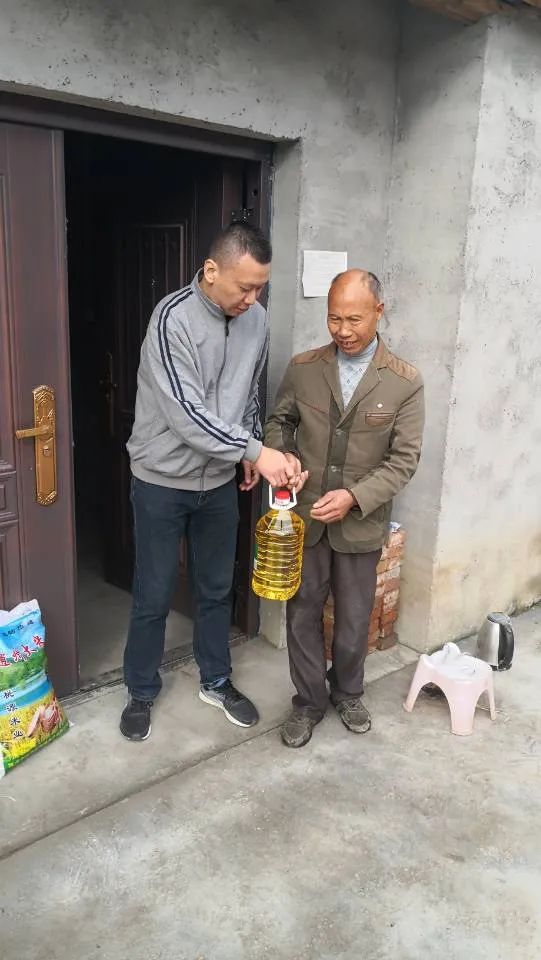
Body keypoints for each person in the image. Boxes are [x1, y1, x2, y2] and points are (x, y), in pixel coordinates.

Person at [120, 221, 297, 741]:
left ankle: (216, 680)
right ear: (212, 270)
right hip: (160, 480)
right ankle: (140, 690)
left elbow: (251, 392)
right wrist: (258, 452)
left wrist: (248, 445)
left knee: (217, 589)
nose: (253, 298)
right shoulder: (171, 318)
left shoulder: (256, 319)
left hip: (218, 481)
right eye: (245, 287)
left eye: (260, 287)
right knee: (153, 593)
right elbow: (185, 414)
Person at [265, 269, 424, 748]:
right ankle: (308, 701)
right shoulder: (304, 368)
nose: (343, 330)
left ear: (379, 312)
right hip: (307, 517)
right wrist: (285, 457)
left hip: (360, 524)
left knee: (354, 619)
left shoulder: (404, 382)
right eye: (334, 318)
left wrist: (355, 497)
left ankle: (348, 692)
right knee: (302, 613)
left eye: (354, 319)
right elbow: (279, 422)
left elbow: (404, 460)